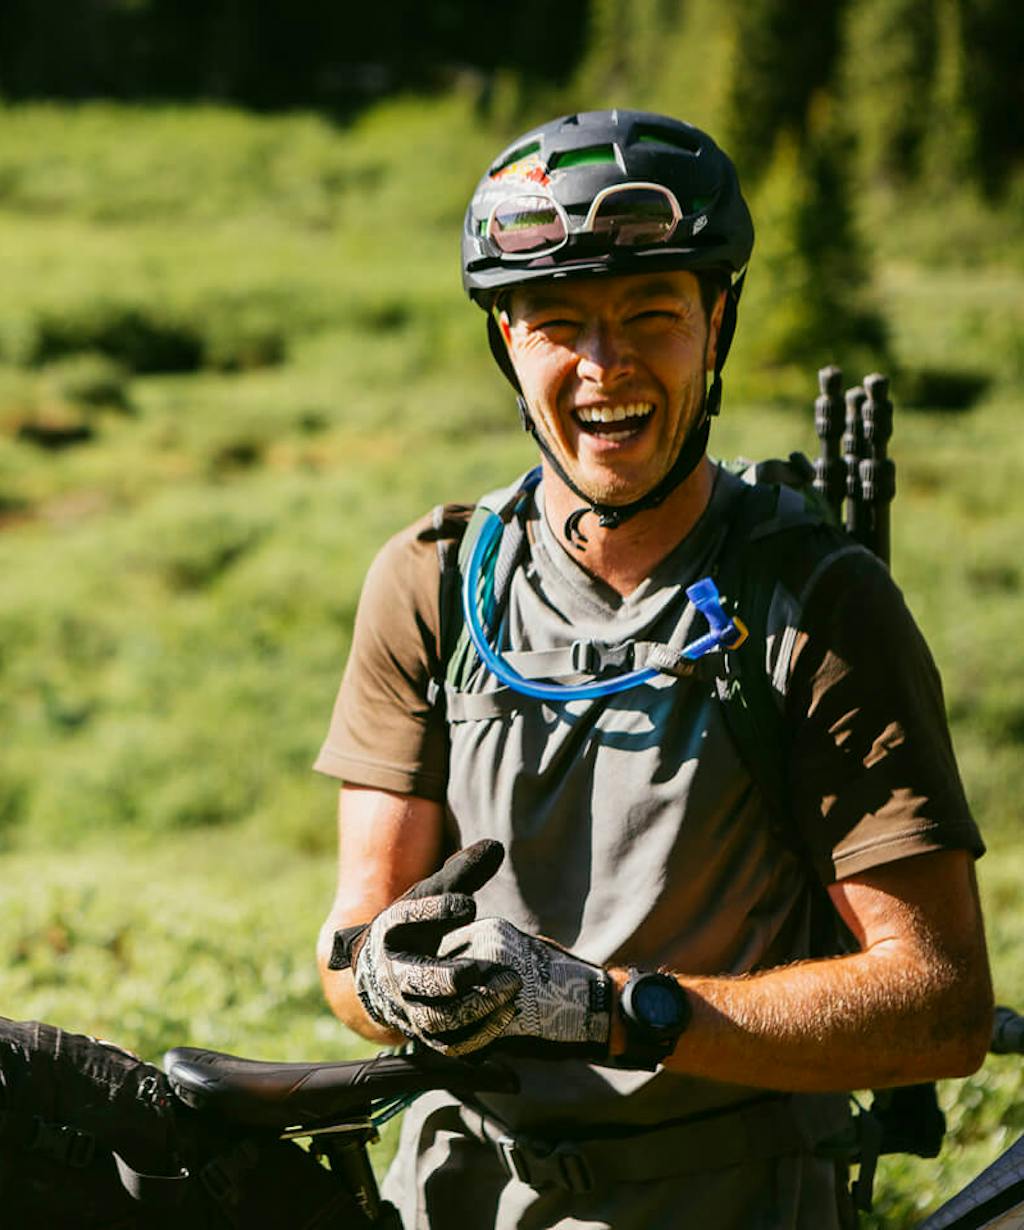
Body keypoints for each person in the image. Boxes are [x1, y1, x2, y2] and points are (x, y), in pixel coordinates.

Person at [314, 109, 992, 1229]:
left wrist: (614, 1012)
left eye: (651, 315)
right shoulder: (430, 582)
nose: (602, 366)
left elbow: (937, 1006)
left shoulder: (814, 601)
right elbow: (350, 944)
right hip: (459, 1192)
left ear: (715, 324)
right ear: (505, 342)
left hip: (734, 1197)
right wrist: (387, 980)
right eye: (556, 322)